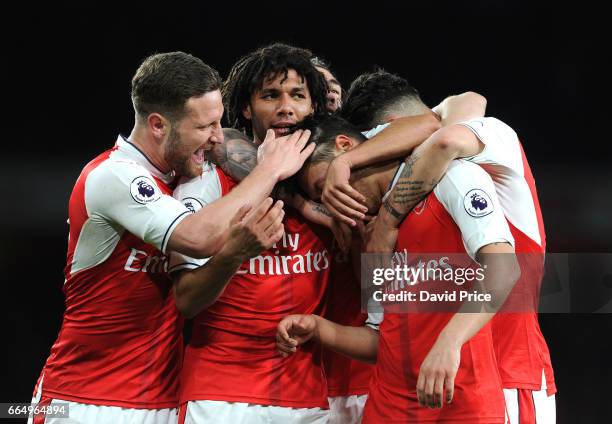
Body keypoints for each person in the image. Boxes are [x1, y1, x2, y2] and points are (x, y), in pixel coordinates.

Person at [29, 51, 313, 424]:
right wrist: (270, 170)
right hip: (82, 401)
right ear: (159, 125)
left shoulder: (182, 178)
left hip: (161, 401)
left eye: (218, 122)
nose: (216, 137)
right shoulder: (114, 175)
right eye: (204, 126)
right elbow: (196, 237)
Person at [329, 70, 557, 423]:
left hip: (509, 377)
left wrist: (384, 215)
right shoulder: (404, 198)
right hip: (441, 389)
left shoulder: (491, 143)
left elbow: (447, 134)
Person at [278, 114, 520, 423]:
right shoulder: (370, 235)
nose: (332, 204)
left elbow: (504, 268)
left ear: (345, 147)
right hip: (387, 407)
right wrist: (318, 328)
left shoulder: (453, 177)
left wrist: (449, 341)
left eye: (324, 186)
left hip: (460, 402)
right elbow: (380, 338)